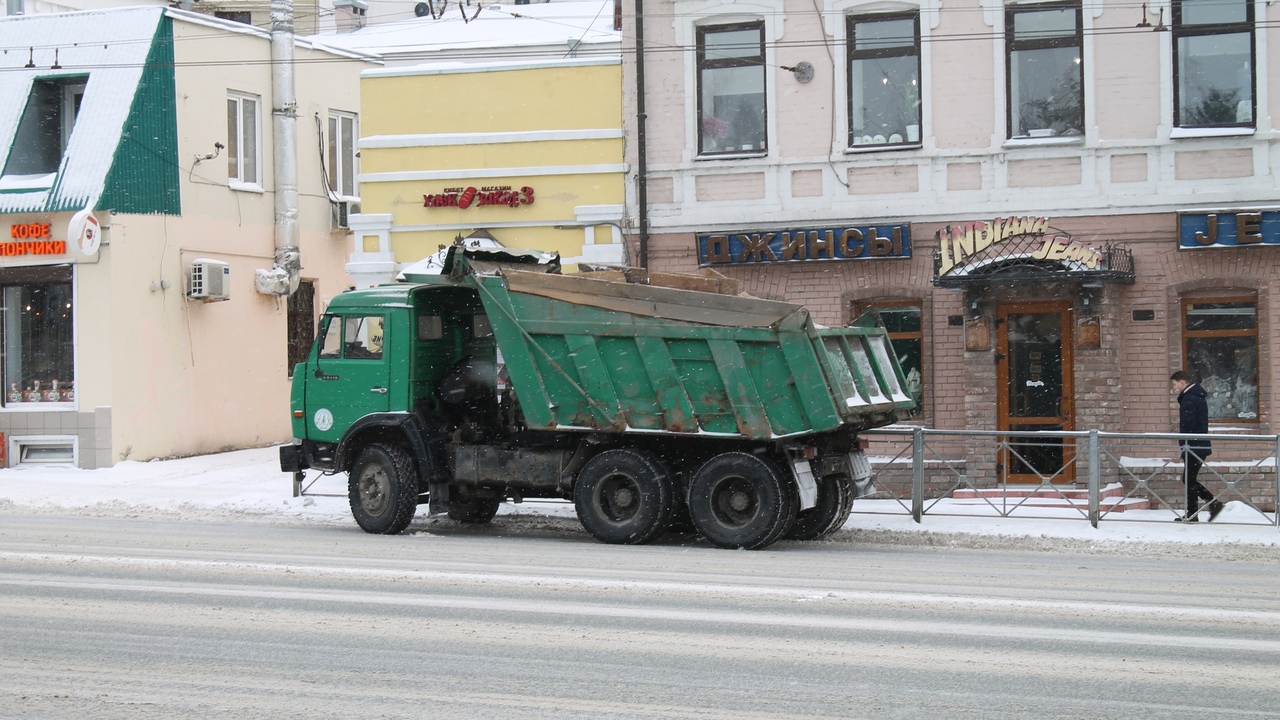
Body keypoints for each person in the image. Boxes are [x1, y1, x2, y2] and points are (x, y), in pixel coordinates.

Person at [1170, 370, 1222, 522]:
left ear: (1182, 382)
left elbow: (1188, 425)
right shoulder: (1196, 397)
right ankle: (1196, 511)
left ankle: (1211, 504)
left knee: (1189, 479)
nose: (1174, 388)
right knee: (1189, 479)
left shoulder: (1189, 399)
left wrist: (1183, 442)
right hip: (1198, 444)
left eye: (1174, 384)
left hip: (1193, 445)